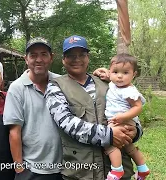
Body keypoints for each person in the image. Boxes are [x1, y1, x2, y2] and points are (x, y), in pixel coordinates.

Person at [44, 35, 143, 180]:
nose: (77, 59)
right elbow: (65, 122)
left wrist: (135, 131)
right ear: (63, 60)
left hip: (120, 170)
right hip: (81, 173)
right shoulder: (55, 87)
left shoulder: (109, 83)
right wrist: (109, 135)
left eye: (81, 55)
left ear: (87, 57)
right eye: (71, 56)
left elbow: (131, 112)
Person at [3, 37, 63, 180]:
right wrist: (20, 169)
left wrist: (108, 76)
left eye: (43, 54)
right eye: (33, 55)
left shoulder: (62, 83)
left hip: (64, 168)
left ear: (51, 57)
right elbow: (14, 131)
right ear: (26, 59)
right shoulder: (17, 88)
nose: (38, 59)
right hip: (31, 169)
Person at [104, 53, 150, 180]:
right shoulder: (114, 84)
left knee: (110, 143)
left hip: (122, 121)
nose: (119, 76)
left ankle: (117, 170)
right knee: (128, 145)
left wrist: (123, 117)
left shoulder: (129, 90)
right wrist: (101, 73)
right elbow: (110, 78)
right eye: (115, 72)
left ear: (134, 74)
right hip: (119, 120)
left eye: (125, 73)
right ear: (110, 72)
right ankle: (142, 168)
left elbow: (138, 107)